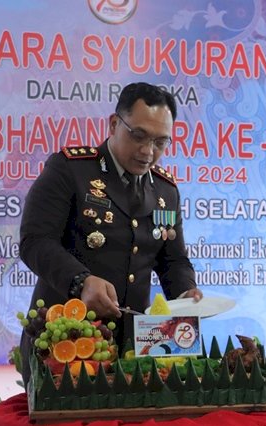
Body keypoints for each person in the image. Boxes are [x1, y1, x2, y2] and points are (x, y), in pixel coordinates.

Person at [18, 82, 202, 384]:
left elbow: (174, 261)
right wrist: (81, 281)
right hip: (68, 340)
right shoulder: (71, 169)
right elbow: (35, 242)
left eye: (160, 143)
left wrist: (185, 294)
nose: (148, 151)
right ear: (115, 124)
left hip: (137, 347)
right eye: (139, 136)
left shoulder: (165, 191)